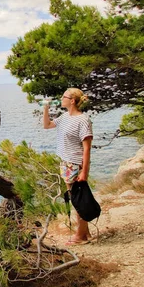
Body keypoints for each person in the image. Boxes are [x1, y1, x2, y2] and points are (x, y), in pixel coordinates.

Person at [43, 88, 93, 245]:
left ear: (72, 101)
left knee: (77, 200)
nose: (61, 98)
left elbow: (87, 148)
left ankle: (80, 236)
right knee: (76, 198)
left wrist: (84, 172)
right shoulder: (64, 117)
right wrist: (46, 108)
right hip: (65, 162)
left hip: (75, 164)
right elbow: (47, 125)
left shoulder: (83, 120)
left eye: (64, 96)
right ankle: (86, 233)